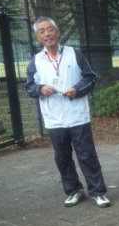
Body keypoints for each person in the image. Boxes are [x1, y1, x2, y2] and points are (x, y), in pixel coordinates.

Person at [25, 17, 110, 208]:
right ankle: (74, 190)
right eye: (42, 31)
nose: (47, 34)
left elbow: (90, 78)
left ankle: (97, 192)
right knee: (62, 157)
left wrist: (77, 90)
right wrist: (40, 89)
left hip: (77, 115)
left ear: (57, 32)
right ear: (37, 37)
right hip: (54, 118)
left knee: (87, 155)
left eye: (50, 30)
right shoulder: (36, 61)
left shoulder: (74, 53)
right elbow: (29, 87)